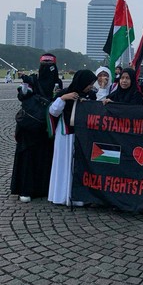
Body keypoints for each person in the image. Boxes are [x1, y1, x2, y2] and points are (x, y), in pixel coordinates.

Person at [11, 53, 62, 203]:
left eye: (49, 65)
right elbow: (22, 96)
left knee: (45, 156)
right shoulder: (33, 79)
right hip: (30, 126)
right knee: (28, 156)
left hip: (47, 126)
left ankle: (44, 188)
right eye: (44, 65)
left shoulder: (57, 82)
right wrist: (26, 85)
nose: (47, 69)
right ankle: (26, 189)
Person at [48, 69, 98, 206]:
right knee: (64, 164)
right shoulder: (65, 93)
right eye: (89, 83)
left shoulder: (91, 95)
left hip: (82, 136)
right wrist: (63, 98)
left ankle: (78, 197)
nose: (90, 86)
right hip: (65, 136)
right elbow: (53, 111)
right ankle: (61, 195)